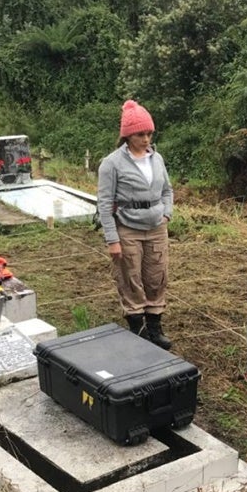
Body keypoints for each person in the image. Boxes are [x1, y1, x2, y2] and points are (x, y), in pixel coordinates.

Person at [97, 100, 175, 350]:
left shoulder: (157, 158)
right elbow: (105, 202)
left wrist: (167, 214)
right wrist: (112, 238)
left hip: (156, 227)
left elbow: (167, 190)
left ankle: (155, 328)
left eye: (149, 133)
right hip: (127, 228)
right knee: (131, 277)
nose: (146, 138)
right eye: (141, 134)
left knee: (156, 276)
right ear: (128, 135)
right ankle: (138, 330)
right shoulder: (112, 163)